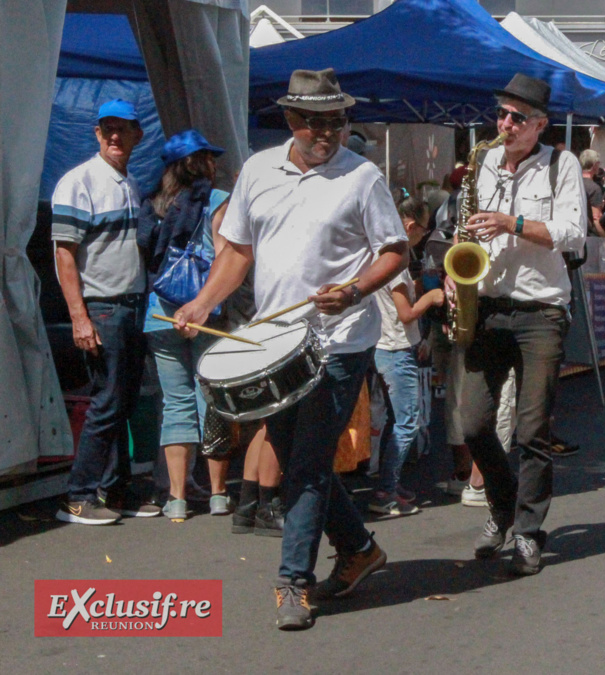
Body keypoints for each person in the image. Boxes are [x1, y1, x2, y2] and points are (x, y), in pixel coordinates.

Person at [172, 69, 407, 630]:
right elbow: (236, 253)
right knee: (305, 462)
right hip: (272, 344)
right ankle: (360, 550)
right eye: (314, 122)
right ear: (291, 121)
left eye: (336, 121)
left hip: (340, 343)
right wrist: (203, 303)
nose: (326, 132)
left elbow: (395, 252)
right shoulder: (258, 171)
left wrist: (353, 290)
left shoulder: (362, 176)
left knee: (303, 465)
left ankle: (292, 582)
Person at [455, 74, 587, 576]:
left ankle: (529, 532)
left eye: (516, 118)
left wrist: (510, 223)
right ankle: (501, 504)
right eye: (501, 114)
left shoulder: (562, 164)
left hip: (541, 311)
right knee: (472, 423)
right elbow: (467, 229)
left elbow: (573, 234)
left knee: (532, 429)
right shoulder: (483, 162)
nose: (505, 124)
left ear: (540, 125)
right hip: (488, 306)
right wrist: (457, 278)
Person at [53, 99, 161, 524]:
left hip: (131, 307)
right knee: (107, 402)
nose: (115, 136)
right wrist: (79, 316)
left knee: (123, 402)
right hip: (102, 308)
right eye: (107, 129)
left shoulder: (129, 182)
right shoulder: (78, 181)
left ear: (138, 134)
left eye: (123, 129)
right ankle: (77, 496)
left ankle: (114, 491)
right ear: (97, 134)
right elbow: (64, 255)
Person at [136, 129, 231, 522]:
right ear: (202, 162)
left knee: (174, 403)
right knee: (211, 399)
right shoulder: (217, 201)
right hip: (205, 311)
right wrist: (202, 305)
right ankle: (218, 494)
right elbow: (225, 255)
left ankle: (175, 498)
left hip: (160, 313)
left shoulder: (153, 202)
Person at [369, 194, 443, 516]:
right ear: (410, 226)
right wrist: (431, 297)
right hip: (395, 348)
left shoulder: (384, 256)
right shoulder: (396, 260)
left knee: (398, 420)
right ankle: (385, 490)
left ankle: (390, 483)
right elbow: (406, 313)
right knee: (407, 422)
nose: (423, 236)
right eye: (423, 231)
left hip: (387, 346)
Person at [579, 148, 605, 236]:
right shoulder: (594, 188)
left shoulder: (573, 183)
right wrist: (604, 237)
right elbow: (596, 219)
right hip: (589, 235)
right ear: (594, 165)